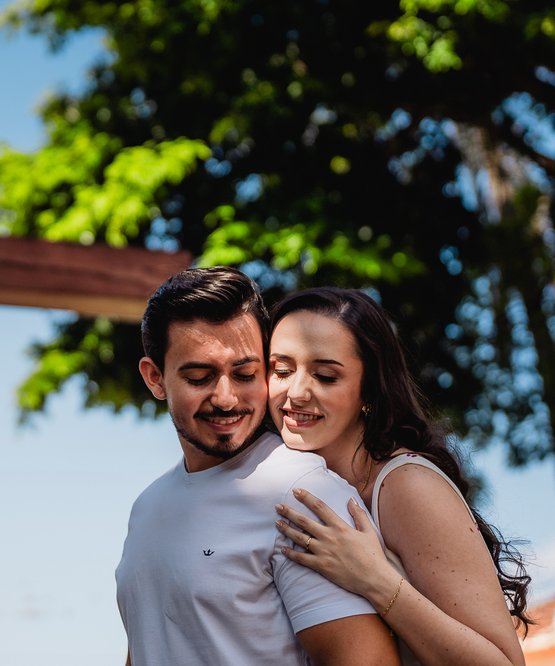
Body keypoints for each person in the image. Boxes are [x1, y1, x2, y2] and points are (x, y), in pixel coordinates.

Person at [116, 267, 399, 666]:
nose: (226, 398)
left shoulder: (302, 493)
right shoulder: (146, 508)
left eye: (246, 374)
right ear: (155, 378)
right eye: (199, 377)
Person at [268, 287, 531, 666]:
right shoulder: (295, 484)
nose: (297, 392)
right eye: (282, 370)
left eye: (326, 376)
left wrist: (377, 581)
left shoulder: (407, 486)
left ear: (368, 389)